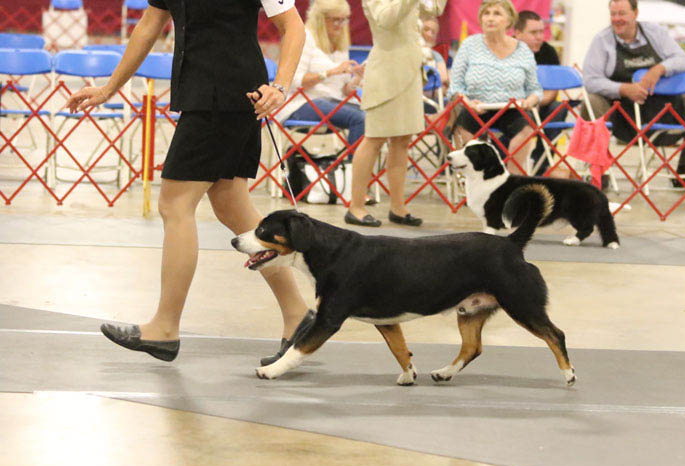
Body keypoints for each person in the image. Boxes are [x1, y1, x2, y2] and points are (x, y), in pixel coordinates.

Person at [64, 0, 313, 366]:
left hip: (227, 96)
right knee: (232, 206)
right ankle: (298, 315)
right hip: (203, 95)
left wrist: (281, 85)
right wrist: (108, 89)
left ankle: (165, 328)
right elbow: (149, 25)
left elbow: (294, 27)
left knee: (175, 205)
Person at [345, 0, 448, 228]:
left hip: (411, 73)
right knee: (374, 139)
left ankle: (398, 207)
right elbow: (386, 19)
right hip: (386, 75)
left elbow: (434, 8)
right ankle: (356, 206)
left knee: (402, 140)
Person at [582, 0, 685, 185]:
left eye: (622, 13)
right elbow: (590, 80)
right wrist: (623, 89)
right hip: (622, 114)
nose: (617, 19)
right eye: (613, 14)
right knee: (592, 101)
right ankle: (599, 173)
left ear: (635, 13)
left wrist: (659, 69)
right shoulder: (601, 41)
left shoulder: (656, 33)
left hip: (663, 109)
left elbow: (684, 61)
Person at [448, 0, 542, 174]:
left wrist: (530, 101)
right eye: (486, 13)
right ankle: (475, 179)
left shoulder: (522, 50)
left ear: (509, 20)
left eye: (497, 14)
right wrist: (468, 102)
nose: (490, 18)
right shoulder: (469, 45)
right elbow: (455, 86)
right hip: (476, 108)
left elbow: (535, 89)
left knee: (527, 130)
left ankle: (512, 182)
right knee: (464, 130)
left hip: (511, 108)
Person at [275, 0, 366, 158]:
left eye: (344, 19)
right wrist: (329, 73)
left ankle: (353, 167)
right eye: (335, 19)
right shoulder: (305, 38)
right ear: (320, 19)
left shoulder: (340, 43)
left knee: (371, 114)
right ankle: (354, 169)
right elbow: (294, 81)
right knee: (359, 118)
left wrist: (357, 78)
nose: (340, 25)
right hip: (301, 103)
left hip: (333, 101)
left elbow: (344, 90)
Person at [514, 9, 568, 175]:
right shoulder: (508, 51)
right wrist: (525, 103)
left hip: (541, 104)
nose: (539, 37)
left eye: (541, 32)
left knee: (559, 108)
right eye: (533, 33)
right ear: (517, 33)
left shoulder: (548, 52)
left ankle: (540, 165)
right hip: (514, 106)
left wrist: (534, 101)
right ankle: (505, 161)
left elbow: (552, 92)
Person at [420, 12, 450, 107]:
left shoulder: (436, 56)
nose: (429, 34)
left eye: (433, 32)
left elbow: (444, 78)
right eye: (426, 29)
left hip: (432, 99)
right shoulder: (407, 52)